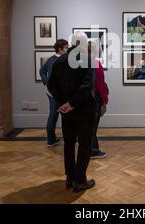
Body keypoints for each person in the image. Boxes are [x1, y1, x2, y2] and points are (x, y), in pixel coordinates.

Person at [48, 32, 97, 193]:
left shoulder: (59, 61)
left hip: (66, 113)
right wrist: (71, 103)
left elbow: (51, 85)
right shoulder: (88, 61)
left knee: (68, 144)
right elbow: (87, 86)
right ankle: (80, 180)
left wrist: (63, 103)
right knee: (84, 145)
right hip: (85, 111)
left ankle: (69, 178)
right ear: (83, 44)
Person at [40, 39, 69, 147]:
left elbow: (42, 71)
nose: (67, 49)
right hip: (56, 93)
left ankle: (51, 139)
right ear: (60, 49)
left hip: (53, 92)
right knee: (57, 115)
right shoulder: (59, 60)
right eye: (66, 47)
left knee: (54, 115)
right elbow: (42, 71)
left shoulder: (51, 59)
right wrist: (46, 82)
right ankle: (53, 140)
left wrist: (46, 82)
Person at [88, 42, 109, 159]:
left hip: (83, 99)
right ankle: (93, 151)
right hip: (95, 99)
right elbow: (100, 85)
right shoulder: (96, 63)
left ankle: (91, 149)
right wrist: (105, 101)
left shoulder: (80, 63)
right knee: (93, 126)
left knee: (88, 126)